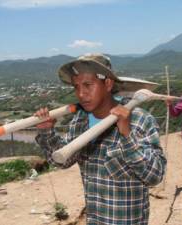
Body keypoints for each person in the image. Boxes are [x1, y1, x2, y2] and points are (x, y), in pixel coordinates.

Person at [34, 53, 166, 224]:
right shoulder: (80, 120)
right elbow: (62, 161)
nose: (81, 94)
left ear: (108, 83)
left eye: (88, 85)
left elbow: (154, 177)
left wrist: (127, 135)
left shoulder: (139, 120)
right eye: (76, 86)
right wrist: (47, 133)